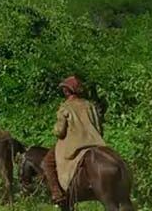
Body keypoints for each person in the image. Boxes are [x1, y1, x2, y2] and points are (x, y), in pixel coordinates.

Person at [43, 75, 106, 206]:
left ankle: (57, 194)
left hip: (73, 144)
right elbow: (99, 128)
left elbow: (59, 132)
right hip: (95, 143)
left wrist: (54, 128)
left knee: (47, 162)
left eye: (64, 89)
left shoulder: (65, 107)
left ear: (67, 91)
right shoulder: (90, 105)